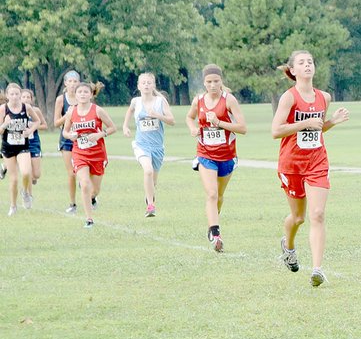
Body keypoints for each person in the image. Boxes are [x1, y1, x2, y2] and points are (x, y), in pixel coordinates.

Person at [272, 50, 350, 287]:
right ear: (293, 71)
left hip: (317, 162)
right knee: (298, 217)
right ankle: (289, 246)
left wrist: (331, 122)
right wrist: (303, 122)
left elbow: (316, 129)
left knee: (317, 214)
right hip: (291, 163)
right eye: (301, 63)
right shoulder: (289, 98)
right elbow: (276, 131)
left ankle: (317, 269)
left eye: (310, 62)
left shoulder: (324, 97)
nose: (307, 66)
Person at [184, 64, 247, 252]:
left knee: (219, 195)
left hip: (227, 155)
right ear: (204, 83)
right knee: (211, 194)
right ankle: (215, 233)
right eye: (209, 82)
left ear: (221, 82)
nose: (213, 85)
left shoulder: (229, 100)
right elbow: (189, 117)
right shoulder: (199, 101)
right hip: (205, 154)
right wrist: (193, 128)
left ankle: (214, 217)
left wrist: (219, 122)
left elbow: (243, 128)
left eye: (216, 81)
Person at [61, 81, 117, 228]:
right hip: (80, 152)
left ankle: (92, 198)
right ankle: (89, 219)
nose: (83, 94)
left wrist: (100, 135)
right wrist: (70, 135)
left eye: (86, 92)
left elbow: (112, 128)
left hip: (97, 153)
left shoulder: (98, 110)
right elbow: (65, 132)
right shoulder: (71, 112)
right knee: (85, 184)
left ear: (91, 94)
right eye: (80, 92)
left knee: (95, 190)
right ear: (76, 95)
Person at [123, 72, 176, 217]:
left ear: (153, 85)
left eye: (149, 83)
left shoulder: (160, 101)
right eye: (143, 83)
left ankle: (149, 197)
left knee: (153, 180)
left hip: (157, 147)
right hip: (141, 144)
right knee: (148, 171)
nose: (146, 85)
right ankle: (151, 206)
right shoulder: (136, 101)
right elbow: (130, 111)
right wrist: (125, 126)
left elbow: (172, 121)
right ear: (139, 86)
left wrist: (157, 115)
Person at [0, 83, 45, 215]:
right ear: (7, 96)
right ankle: (13, 205)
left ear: (20, 95)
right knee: (13, 179)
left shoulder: (26, 107)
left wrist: (30, 130)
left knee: (26, 173)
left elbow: (37, 122)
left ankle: (25, 192)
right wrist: (5, 124)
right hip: (8, 148)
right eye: (12, 94)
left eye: (17, 94)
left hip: (23, 146)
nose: (14, 97)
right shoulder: (3, 109)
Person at [54, 70, 81, 213]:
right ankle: (72, 203)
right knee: (71, 173)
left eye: (75, 81)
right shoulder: (61, 100)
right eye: (69, 81)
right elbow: (56, 122)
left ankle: (91, 195)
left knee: (83, 171)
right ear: (65, 83)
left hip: (82, 139)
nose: (72, 84)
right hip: (66, 138)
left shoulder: (83, 97)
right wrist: (68, 116)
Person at [20, 89, 49, 186]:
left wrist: (33, 126)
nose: (26, 99)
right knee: (26, 170)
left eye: (28, 97)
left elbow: (44, 126)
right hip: (21, 143)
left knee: (36, 174)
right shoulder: (15, 110)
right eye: (23, 97)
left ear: (32, 99)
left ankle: (33, 178)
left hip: (33, 142)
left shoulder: (36, 111)